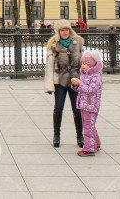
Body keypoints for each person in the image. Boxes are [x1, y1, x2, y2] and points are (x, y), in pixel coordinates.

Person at [44, 19, 85, 148]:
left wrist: (84, 80)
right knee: (58, 108)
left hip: (75, 80)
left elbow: (84, 63)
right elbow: (50, 67)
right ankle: (56, 136)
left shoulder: (77, 43)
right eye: (62, 30)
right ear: (58, 31)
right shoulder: (55, 45)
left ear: (70, 30)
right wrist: (49, 85)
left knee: (77, 109)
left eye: (67, 29)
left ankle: (80, 136)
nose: (65, 32)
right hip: (60, 80)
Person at [72, 49, 103, 156]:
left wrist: (79, 84)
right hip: (84, 104)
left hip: (91, 105)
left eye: (85, 64)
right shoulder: (85, 74)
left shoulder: (96, 76)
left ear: (92, 64)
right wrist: (76, 85)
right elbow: (82, 89)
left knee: (88, 127)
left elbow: (91, 90)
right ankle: (96, 143)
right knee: (90, 125)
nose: (83, 66)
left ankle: (89, 148)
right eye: (82, 63)